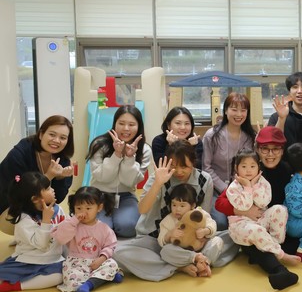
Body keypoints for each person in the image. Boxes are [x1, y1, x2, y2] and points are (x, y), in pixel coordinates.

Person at [214, 126, 302, 290]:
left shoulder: (288, 170)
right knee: (257, 244)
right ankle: (279, 270)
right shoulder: (250, 169)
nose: (270, 154)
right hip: (251, 227)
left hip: (278, 227)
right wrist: (243, 211)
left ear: (282, 151)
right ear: (258, 150)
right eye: (265, 149)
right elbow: (220, 203)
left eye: (276, 149)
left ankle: (271, 250)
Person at [113, 141, 238, 282]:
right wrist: (157, 183)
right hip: (156, 238)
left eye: (184, 166)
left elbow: (204, 216)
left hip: (193, 239)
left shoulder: (204, 180)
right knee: (118, 253)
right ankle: (179, 266)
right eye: (173, 166)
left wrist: (204, 233)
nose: (178, 171)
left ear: (193, 162)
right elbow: (142, 209)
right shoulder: (158, 177)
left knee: (232, 235)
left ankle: (198, 260)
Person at [226, 149, 300, 267]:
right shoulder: (233, 187)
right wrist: (247, 187)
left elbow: (262, 203)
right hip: (241, 225)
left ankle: (274, 245)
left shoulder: (263, 182)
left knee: (280, 209)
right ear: (236, 168)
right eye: (244, 166)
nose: (248, 170)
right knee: (256, 230)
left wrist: (254, 186)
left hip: (260, 220)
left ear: (258, 167)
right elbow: (244, 206)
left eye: (252, 166)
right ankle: (280, 255)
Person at [86, 105, 151, 238]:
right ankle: (109, 224)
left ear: (139, 126)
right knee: (100, 230)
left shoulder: (144, 150)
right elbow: (102, 178)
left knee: (128, 228)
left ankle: (115, 222)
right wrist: (116, 155)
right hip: (99, 195)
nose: (126, 128)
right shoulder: (99, 144)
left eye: (131, 124)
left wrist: (129, 158)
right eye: (121, 123)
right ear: (114, 124)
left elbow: (128, 182)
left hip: (125, 196)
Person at [0, 172, 65, 292]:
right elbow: (41, 244)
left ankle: (17, 286)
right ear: (35, 199)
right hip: (29, 260)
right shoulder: (24, 219)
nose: (52, 190)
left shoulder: (58, 209)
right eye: (47, 188)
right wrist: (46, 220)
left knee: (60, 277)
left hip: (52, 259)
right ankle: (11, 283)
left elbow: (65, 231)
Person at [51, 187, 122, 292]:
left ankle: (88, 285)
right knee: (71, 280)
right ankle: (102, 279)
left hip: (97, 261)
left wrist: (101, 259)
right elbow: (61, 238)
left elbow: (110, 246)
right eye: (79, 208)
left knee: (112, 264)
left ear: (99, 207)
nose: (83, 212)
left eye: (88, 208)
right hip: (76, 263)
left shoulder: (104, 228)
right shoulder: (71, 224)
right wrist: (74, 220)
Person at [0, 115, 74, 220]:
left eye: (63, 138)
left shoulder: (63, 160)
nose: (57, 140)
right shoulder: (19, 155)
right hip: (11, 210)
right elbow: (18, 196)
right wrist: (49, 176)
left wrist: (60, 178)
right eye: (52, 134)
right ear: (41, 134)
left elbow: (57, 199)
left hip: (40, 212)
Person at [202, 92, 257, 230]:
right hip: (216, 190)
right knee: (221, 222)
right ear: (226, 111)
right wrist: (225, 189)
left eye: (243, 110)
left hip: (242, 190)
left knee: (250, 220)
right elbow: (206, 167)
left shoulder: (250, 137)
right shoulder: (212, 135)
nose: (239, 114)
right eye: (234, 109)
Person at [157, 184, 222, 278]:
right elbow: (161, 240)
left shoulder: (199, 213)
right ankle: (196, 259)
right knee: (165, 251)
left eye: (182, 205)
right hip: (182, 253)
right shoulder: (169, 219)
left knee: (218, 240)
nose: (177, 209)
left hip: (202, 248)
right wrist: (170, 234)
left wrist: (205, 231)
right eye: (174, 205)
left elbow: (212, 224)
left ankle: (204, 263)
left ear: (193, 205)